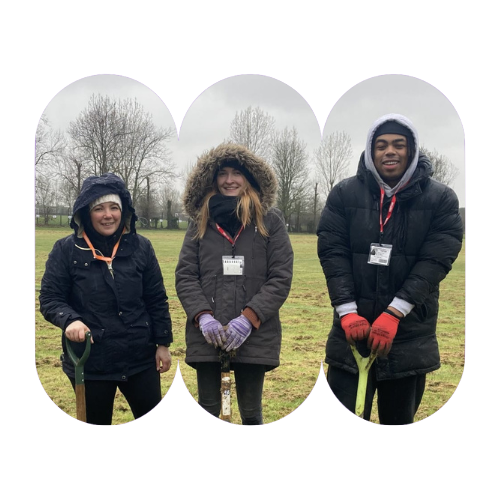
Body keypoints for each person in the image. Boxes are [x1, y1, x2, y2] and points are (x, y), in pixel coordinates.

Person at [316, 113, 463, 425]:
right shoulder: (344, 194)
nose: (390, 151)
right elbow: (333, 253)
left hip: (409, 339)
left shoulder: (441, 199)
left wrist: (395, 312)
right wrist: (347, 311)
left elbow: (435, 260)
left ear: (411, 150)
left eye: (399, 144)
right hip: (350, 337)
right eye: (381, 145)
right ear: (371, 152)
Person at [39, 172, 173, 425]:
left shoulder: (141, 247)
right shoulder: (65, 250)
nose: (108, 215)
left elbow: (156, 298)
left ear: (124, 211)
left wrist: (163, 343)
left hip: (140, 359)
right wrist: (70, 321)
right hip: (90, 361)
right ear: (85, 213)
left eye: (114, 207)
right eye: (99, 208)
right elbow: (50, 298)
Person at [175, 143, 293, 425]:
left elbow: (281, 276)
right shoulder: (199, 221)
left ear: (249, 178)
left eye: (236, 173)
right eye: (223, 173)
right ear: (213, 179)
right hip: (208, 338)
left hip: (254, 335)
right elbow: (186, 275)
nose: (229, 180)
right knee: (209, 407)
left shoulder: (270, 221)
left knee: (251, 413)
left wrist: (249, 319)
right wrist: (203, 317)